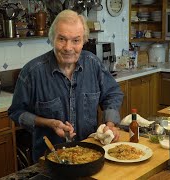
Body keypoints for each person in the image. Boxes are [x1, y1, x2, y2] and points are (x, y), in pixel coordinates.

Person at [8, 9, 124, 163]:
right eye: (62, 39)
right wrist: (48, 123)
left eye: (76, 40)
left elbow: (112, 94)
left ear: (84, 41)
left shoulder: (93, 64)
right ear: (52, 39)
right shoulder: (32, 72)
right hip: (50, 160)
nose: (68, 47)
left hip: (90, 155)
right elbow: (16, 112)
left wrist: (110, 124)